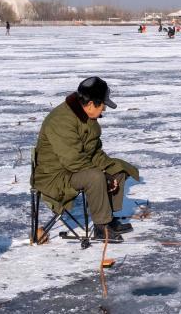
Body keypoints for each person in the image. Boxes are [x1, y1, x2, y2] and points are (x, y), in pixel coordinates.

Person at [32, 77, 139, 241]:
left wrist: (110, 170)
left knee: (118, 167)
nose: (103, 110)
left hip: (73, 169)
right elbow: (73, 160)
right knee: (96, 177)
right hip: (55, 176)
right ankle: (101, 227)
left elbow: (93, 151)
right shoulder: (61, 121)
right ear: (90, 104)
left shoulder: (88, 118)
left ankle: (108, 219)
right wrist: (104, 176)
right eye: (103, 105)